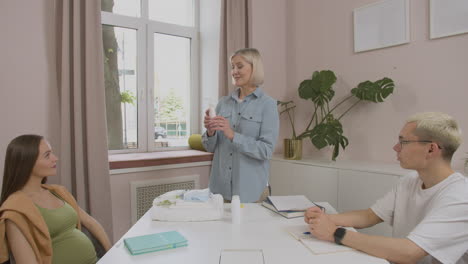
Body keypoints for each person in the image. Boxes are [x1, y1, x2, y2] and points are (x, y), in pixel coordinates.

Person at [304, 112, 468, 264]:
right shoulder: (410, 181)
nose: (396, 148)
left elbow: (410, 252)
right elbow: (369, 216)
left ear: (431, 149)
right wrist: (324, 219)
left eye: (403, 141)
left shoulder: (460, 197)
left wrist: (335, 233)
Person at [0, 135, 112, 264]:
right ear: (27, 162)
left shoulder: (58, 192)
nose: (55, 158)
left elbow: (91, 223)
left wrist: (111, 253)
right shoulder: (15, 210)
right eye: (47, 155)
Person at [202, 48, 279, 203]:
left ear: (254, 68)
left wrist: (233, 135)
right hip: (220, 193)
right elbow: (210, 147)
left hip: (251, 193)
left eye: (239, 66)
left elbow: (266, 151)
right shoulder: (223, 103)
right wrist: (210, 132)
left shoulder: (267, 105)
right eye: (232, 67)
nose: (234, 71)